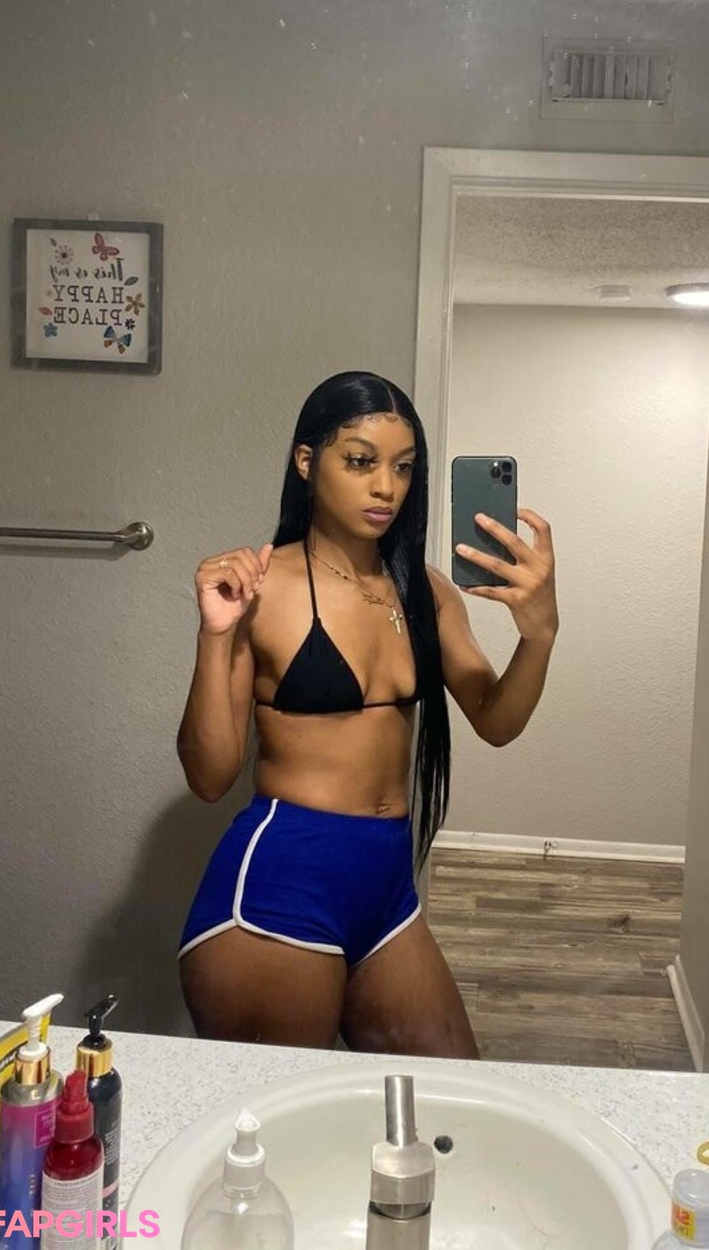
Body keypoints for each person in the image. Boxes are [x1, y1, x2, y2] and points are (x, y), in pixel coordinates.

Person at [176, 370, 558, 1056]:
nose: (386, 486)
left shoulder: (426, 592)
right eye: (360, 461)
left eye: (403, 467)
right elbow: (209, 776)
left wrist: (540, 634)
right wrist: (215, 636)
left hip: (384, 887)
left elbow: (496, 720)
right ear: (307, 462)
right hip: (280, 885)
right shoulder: (263, 587)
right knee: (285, 1114)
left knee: (450, 1095)